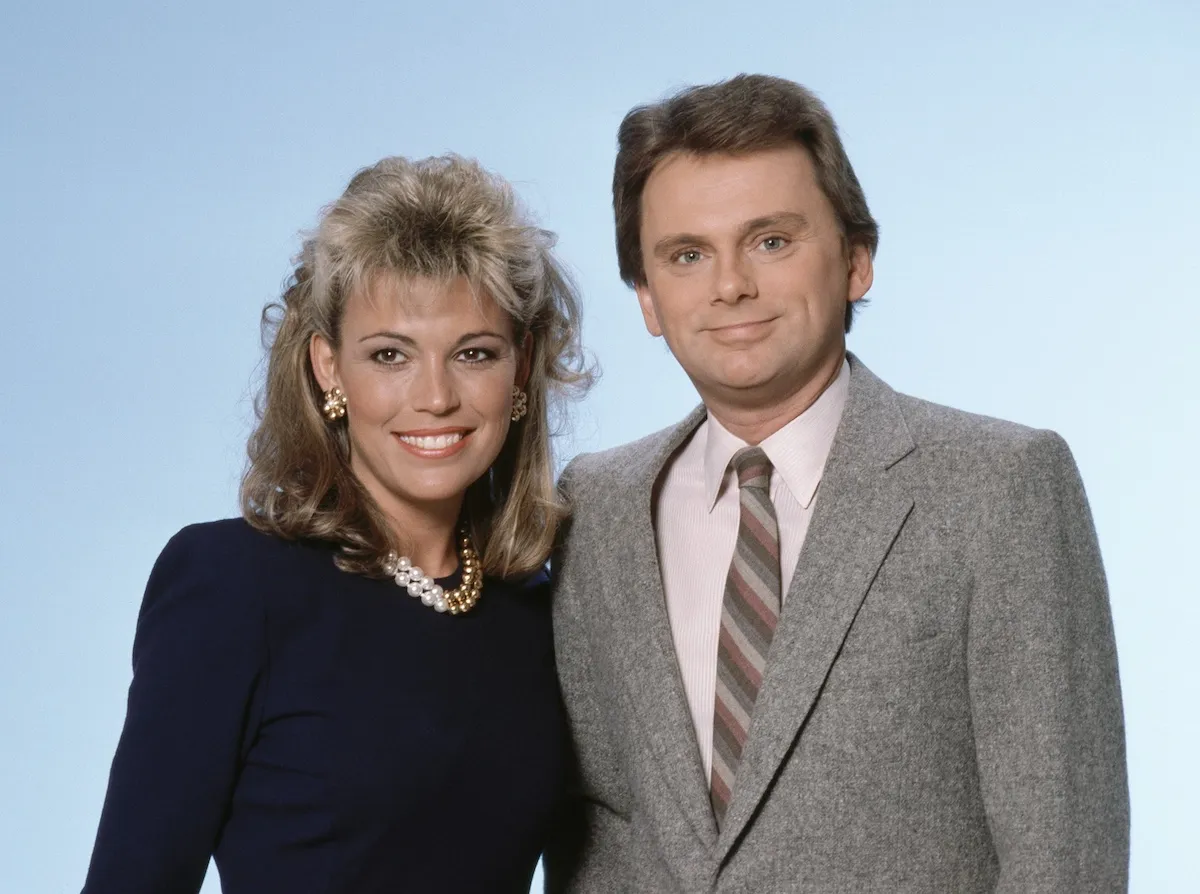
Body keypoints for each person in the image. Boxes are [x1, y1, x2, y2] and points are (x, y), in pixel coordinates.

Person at [545, 74, 1128, 893]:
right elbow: (588, 836)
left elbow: (1062, 857)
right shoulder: (593, 506)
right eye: (686, 255)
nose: (730, 286)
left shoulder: (1000, 490)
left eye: (772, 241)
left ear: (857, 260)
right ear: (645, 297)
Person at [81, 154, 590, 893]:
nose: (436, 397)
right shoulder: (231, 586)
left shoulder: (542, 610)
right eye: (390, 355)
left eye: (474, 354)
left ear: (520, 369)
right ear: (328, 368)